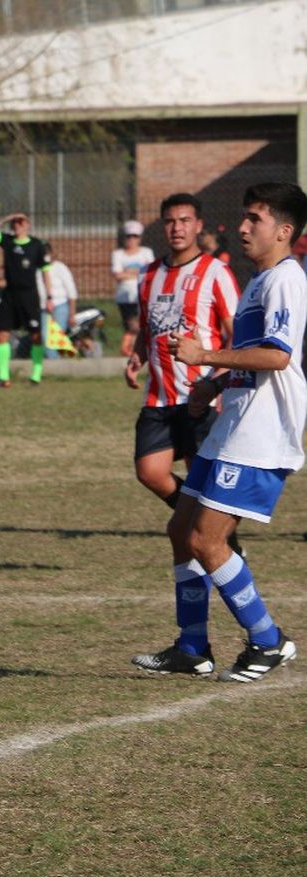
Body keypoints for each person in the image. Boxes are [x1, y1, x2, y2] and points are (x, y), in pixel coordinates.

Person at [132, 182, 307, 683]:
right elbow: (251, 359)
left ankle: (269, 641)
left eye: (255, 218)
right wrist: (214, 383)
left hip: (262, 433)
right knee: (180, 532)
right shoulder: (260, 279)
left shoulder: (286, 281)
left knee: (209, 541)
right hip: (234, 424)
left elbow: (278, 355)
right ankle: (192, 647)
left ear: (285, 230)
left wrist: (204, 357)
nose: (244, 227)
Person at [124, 192, 239, 532]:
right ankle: (197, 525)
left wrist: (216, 378)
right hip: (158, 397)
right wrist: (138, 356)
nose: (178, 228)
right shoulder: (147, 275)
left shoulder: (216, 272)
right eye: (171, 221)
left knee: (199, 477)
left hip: (199, 396)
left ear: (198, 226)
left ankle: (221, 545)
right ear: (163, 226)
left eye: (185, 221)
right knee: (150, 472)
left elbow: (235, 334)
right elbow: (149, 328)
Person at [0, 211, 51, 387]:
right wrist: (6, 218)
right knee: (1, 335)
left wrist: (49, 296)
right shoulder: (7, 242)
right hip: (10, 295)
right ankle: (3, 377)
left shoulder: (37, 245)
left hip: (29, 296)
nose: (17, 226)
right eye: (15, 223)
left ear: (28, 225)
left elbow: (46, 272)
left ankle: (36, 376)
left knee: (36, 336)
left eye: (21, 222)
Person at [113, 219, 156, 358]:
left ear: (140, 238)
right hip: (125, 297)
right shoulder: (118, 254)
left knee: (142, 325)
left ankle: (140, 351)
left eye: (135, 236)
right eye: (129, 236)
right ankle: (128, 351)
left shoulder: (146, 252)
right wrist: (139, 271)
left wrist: (127, 272)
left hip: (143, 294)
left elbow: (151, 272)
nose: (131, 239)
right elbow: (117, 275)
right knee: (131, 326)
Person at [36, 245, 79, 357]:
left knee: (53, 339)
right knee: (45, 337)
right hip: (43, 308)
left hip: (60, 306)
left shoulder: (60, 268)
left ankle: (56, 365)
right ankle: (56, 363)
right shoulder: (37, 269)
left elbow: (71, 291)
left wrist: (72, 313)